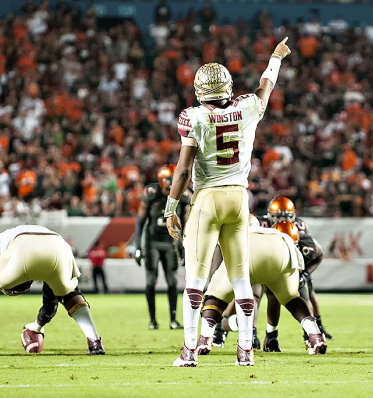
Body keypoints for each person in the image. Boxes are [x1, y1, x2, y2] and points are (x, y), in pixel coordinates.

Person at [165, 38, 291, 367]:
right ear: (228, 87)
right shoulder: (247, 107)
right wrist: (275, 58)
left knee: (195, 281)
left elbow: (182, 170)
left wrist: (170, 207)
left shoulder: (192, 116)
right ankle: (246, 350)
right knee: (240, 279)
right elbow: (265, 86)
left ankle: (190, 350)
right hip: (238, 197)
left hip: (206, 198)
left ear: (198, 90)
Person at [0, 225, 104, 356]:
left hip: (23, 246)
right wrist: (37, 325)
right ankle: (95, 342)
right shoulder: (13, 236)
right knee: (70, 294)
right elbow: (50, 304)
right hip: (59, 245)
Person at [197, 221, 326, 356]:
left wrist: (214, 288)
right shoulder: (287, 236)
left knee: (215, 296)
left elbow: (217, 260)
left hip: (249, 247)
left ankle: (205, 338)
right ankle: (315, 335)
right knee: (292, 298)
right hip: (283, 247)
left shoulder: (232, 227)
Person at [258, 196, 332, 350]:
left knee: (304, 289)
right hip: (267, 265)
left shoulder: (305, 240)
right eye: (278, 216)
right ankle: (239, 330)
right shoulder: (261, 228)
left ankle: (312, 333)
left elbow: (319, 254)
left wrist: (305, 273)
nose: (282, 219)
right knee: (256, 292)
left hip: (293, 268)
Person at [134, 164, 189, 330]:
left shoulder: (183, 196)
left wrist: (185, 246)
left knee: (172, 281)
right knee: (151, 280)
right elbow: (140, 221)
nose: (174, 182)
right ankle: (153, 320)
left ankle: (173, 320)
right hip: (152, 242)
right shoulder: (151, 193)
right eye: (171, 179)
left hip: (171, 241)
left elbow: (186, 223)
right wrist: (138, 246)